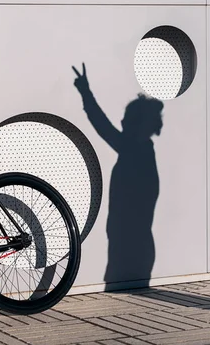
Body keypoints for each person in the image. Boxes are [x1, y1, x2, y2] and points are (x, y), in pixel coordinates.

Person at [73, 63, 163, 288]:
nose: (122, 122)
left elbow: (102, 126)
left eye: (127, 119)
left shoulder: (135, 149)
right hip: (133, 243)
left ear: (137, 125)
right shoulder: (142, 151)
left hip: (129, 246)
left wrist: (85, 93)